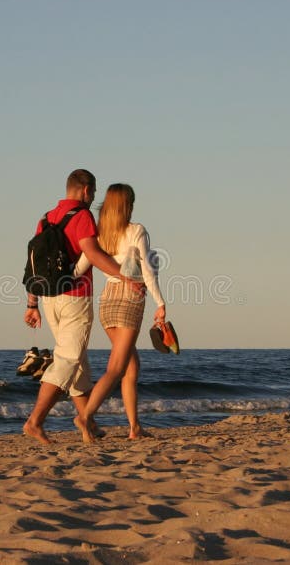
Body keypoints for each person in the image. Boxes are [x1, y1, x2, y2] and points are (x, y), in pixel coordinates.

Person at [22, 170, 144, 445]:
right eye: (94, 191)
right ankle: (35, 421)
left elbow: (35, 263)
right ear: (86, 190)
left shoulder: (46, 218)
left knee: (79, 363)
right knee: (68, 359)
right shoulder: (82, 216)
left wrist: (32, 303)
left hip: (48, 299)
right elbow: (93, 253)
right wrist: (126, 277)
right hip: (74, 297)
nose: (94, 197)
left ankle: (89, 423)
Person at [72, 183, 167, 443]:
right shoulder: (137, 230)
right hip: (129, 300)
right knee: (115, 368)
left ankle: (134, 427)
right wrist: (160, 302)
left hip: (108, 302)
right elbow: (147, 270)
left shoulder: (99, 234)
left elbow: (79, 267)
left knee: (131, 366)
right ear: (127, 205)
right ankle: (85, 416)